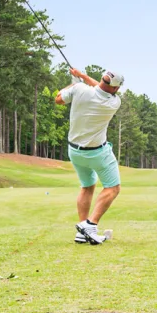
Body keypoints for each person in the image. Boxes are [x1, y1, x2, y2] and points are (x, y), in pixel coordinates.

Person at [55, 66, 124, 244]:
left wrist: (74, 83)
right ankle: (90, 225)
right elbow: (101, 89)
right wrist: (82, 77)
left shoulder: (79, 90)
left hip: (75, 151)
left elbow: (58, 99)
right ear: (116, 88)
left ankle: (82, 230)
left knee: (87, 186)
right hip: (98, 153)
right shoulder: (114, 102)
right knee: (113, 188)